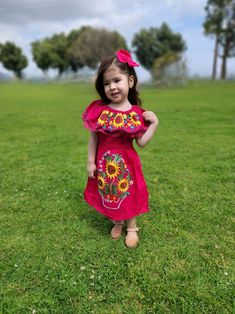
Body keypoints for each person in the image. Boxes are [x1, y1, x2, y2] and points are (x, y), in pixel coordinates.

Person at [82, 49, 159, 248]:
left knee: (129, 193)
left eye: (117, 80)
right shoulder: (100, 111)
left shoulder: (135, 114)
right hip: (105, 163)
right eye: (106, 83)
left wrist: (154, 124)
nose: (112, 87)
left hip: (127, 164)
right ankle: (117, 221)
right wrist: (91, 162)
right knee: (110, 192)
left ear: (130, 81)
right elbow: (94, 136)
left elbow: (141, 142)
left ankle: (131, 227)